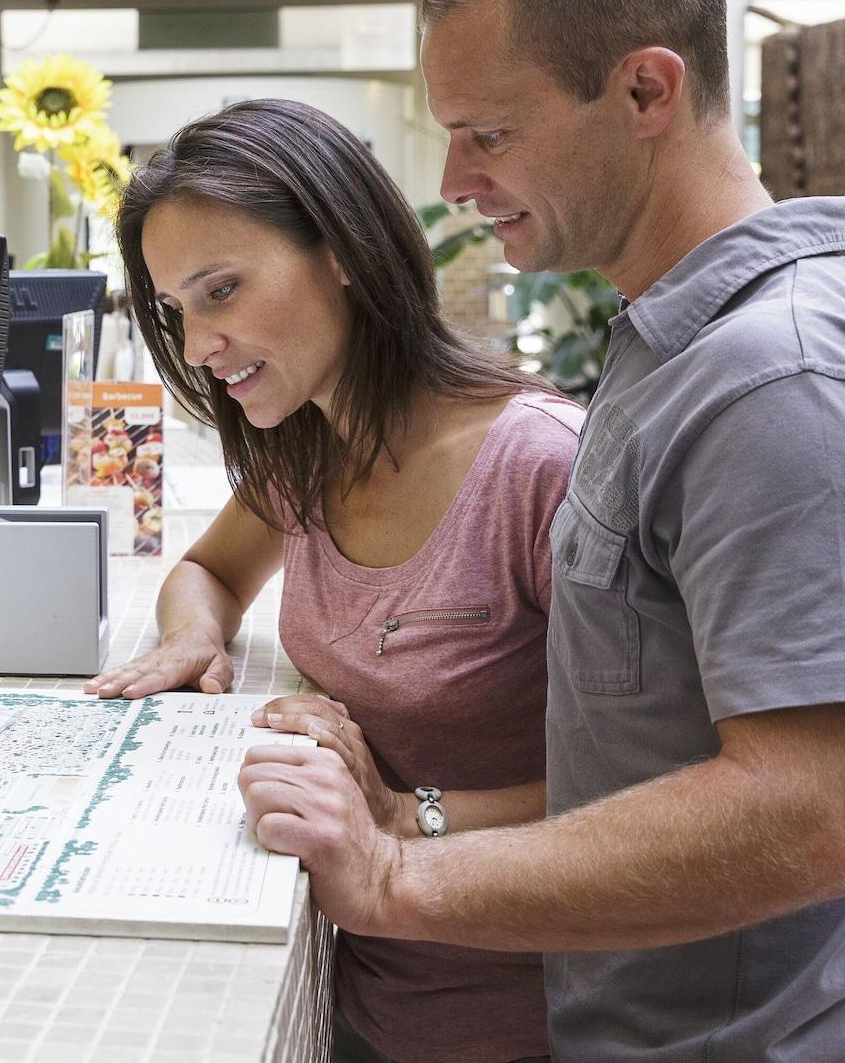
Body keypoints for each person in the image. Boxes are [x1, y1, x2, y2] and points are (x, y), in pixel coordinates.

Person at [240, 0, 845, 1059]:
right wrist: (405, 814)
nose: (457, 181)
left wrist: (394, 877)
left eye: (491, 132)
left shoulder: (781, 381)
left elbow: (807, 816)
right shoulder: (669, 349)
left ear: (644, 90)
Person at [84, 98, 581, 1062]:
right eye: (176, 311)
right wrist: (195, 635)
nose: (195, 348)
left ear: (343, 247)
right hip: (354, 986)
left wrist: (403, 814)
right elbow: (205, 569)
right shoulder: (309, 447)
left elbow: (653, 788)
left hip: (513, 1021)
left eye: (221, 289)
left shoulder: (539, 468)